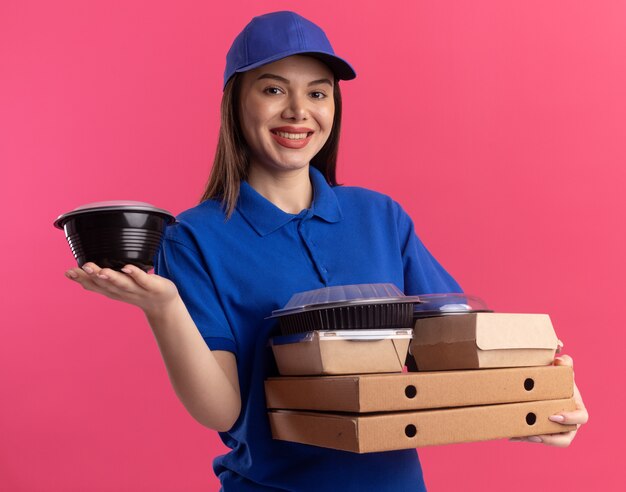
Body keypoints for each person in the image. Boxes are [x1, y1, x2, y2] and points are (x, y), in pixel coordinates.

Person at [64, 11, 588, 491]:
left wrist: (544, 393)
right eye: (273, 89)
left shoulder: (380, 217)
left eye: (318, 93)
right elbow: (223, 411)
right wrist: (164, 308)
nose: (298, 111)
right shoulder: (194, 237)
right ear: (234, 102)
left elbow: (457, 343)